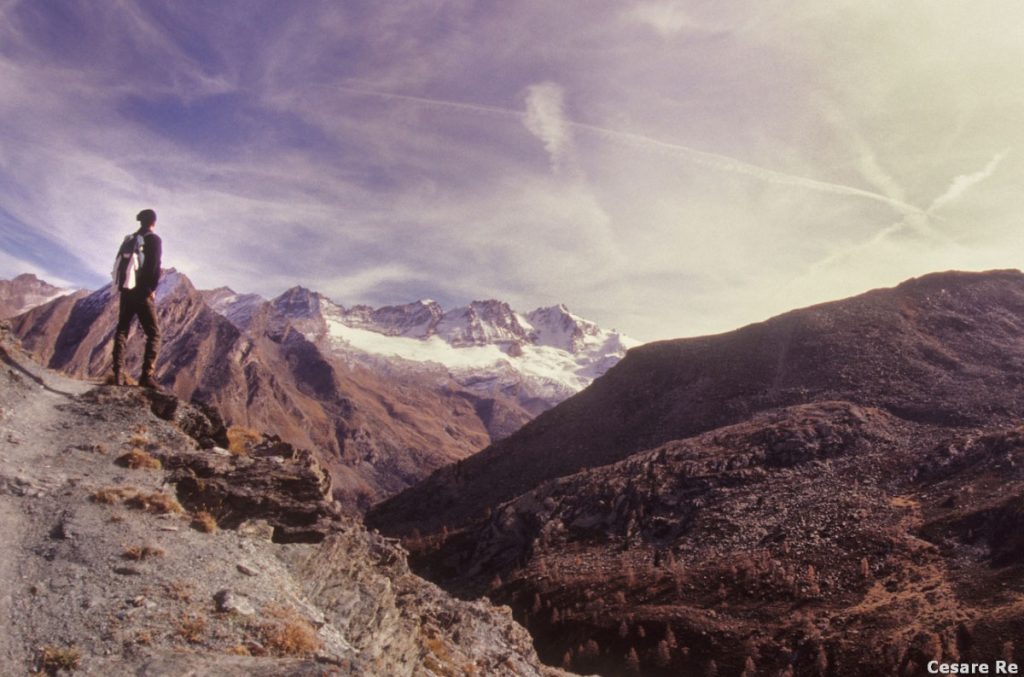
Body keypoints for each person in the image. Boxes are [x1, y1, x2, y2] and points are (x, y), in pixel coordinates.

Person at [111, 208, 162, 388]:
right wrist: (151, 289)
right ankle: (146, 376)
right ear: (153, 222)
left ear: (140, 221)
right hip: (142, 293)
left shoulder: (130, 240)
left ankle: (118, 374)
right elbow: (154, 267)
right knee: (154, 334)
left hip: (126, 290)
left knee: (122, 330)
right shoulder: (154, 240)